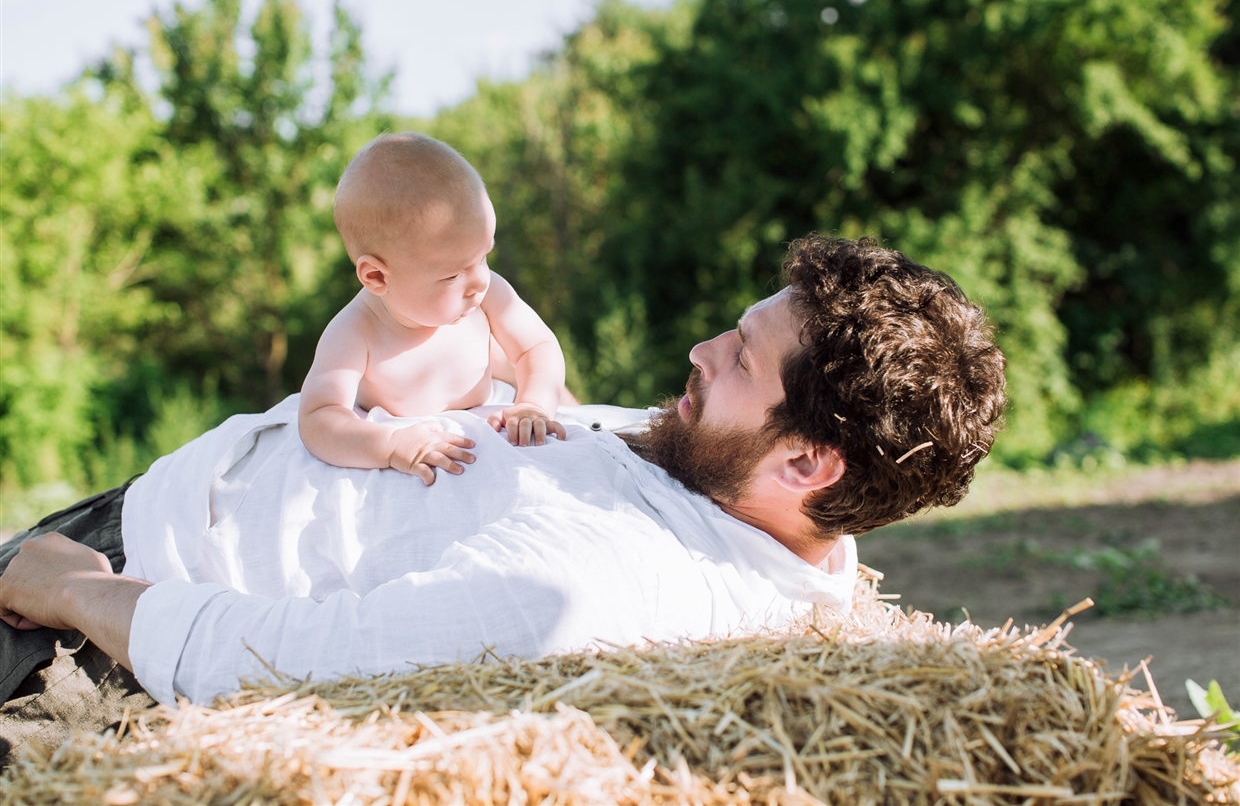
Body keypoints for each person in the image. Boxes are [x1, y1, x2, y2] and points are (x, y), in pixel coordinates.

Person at [0, 235, 1006, 761]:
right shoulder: (724, 480)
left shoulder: (597, 588)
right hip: (165, 503)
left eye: (738, 359)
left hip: (114, 602)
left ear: (807, 465)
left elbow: (298, 665)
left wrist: (78, 589)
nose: (700, 352)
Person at [299, 132, 567, 486]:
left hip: (489, 406)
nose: (479, 282)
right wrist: (389, 444)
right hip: (399, 433)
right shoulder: (355, 331)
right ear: (377, 276)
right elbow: (319, 417)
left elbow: (538, 347)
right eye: (453, 274)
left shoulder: (488, 293)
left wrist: (533, 403)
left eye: (484, 256)